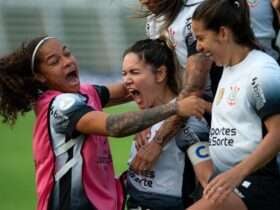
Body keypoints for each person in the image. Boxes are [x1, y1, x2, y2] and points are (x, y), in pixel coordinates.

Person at [0, 36, 211, 210]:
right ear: (40, 77)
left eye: (67, 53)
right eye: (54, 62)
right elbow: (115, 125)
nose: (67, 61)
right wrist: (174, 108)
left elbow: (135, 86)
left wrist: (168, 47)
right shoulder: (61, 105)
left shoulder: (85, 92)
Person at [186, 0, 280, 210]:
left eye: (201, 38)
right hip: (226, 179)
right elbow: (243, 114)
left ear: (222, 33)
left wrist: (236, 174)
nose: (198, 47)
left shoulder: (262, 70)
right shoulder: (229, 67)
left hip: (256, 183)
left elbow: (278, 132)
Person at [122, 38, 213, 210]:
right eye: (124, 73)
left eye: (134, 72)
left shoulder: (188, 121)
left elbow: (209, 184)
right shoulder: (144, 118)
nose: (126, 80)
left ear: (160, 74)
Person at [131, 0, 213, 174]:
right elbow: (160, 76)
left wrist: (157, 141)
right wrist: (149, 118)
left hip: (219, 110)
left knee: (212, 186)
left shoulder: (198, 13)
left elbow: (194, 88)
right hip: (191, 109)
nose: (144, 1)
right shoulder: (154, 20)